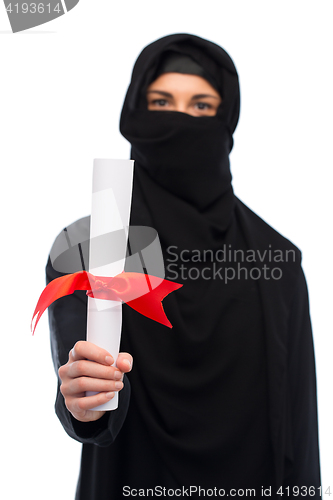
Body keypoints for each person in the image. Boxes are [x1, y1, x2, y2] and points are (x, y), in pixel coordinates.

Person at [47, 33, 321, 499]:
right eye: (161, 101)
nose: (180, 120)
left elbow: (300, 429)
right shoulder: (87, 246)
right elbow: (84, 382)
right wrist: (86, 400)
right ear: (134, 113)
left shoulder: (278, 262)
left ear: (226, 119)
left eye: (200, 107)